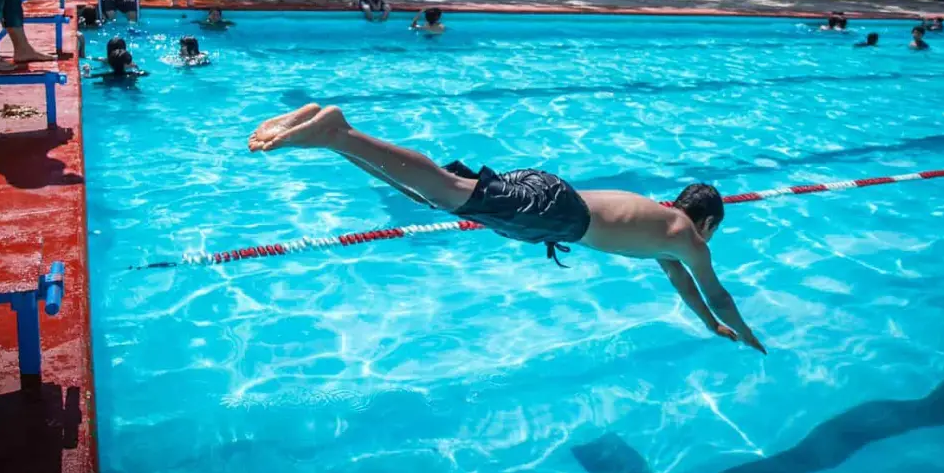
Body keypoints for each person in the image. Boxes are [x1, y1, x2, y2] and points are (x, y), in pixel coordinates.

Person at [248, 104, 766, 352]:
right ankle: (339, 129)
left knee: (435, 195)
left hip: (553, 207)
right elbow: (716, 294)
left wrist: (709, 328)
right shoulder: (687, 237)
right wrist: (745, 331)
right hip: (560, 214)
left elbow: (691, 295)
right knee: (447, 191)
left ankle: (332, 137)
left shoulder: (666, 238)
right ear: (710, 220)